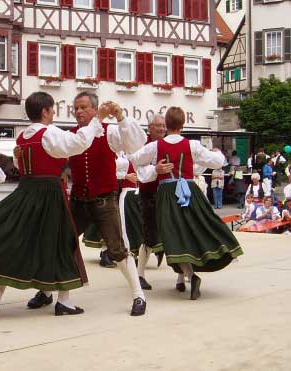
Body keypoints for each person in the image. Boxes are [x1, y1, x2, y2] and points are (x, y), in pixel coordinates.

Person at [0, 92, 104, 317]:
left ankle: (0, 291)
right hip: (49, 193)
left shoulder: (22, 137)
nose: (53, 114)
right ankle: (64, 301)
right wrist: (97, 120)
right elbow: (78, 143)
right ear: (45, 112)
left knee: (19, 242)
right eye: (52, 110)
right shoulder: (49, 133)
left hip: (25, 192)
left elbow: (20, 165)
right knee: (63, 243)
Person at [27, 92, 148, 316]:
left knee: (117, 249)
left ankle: (138, 295)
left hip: (104, 200)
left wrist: (121, 116)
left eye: (83, 107)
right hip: (79, 200)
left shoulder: (109, 131)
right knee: (61, 244)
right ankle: (52, 294)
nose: (79, 111)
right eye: (76, 108)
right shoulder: (71, 135)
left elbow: (136, 144)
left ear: (94, 110)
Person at [131, 106, 243, 300]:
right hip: (190, 192)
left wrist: (154, 170)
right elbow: (217, 161)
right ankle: (186, 276)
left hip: (167, 193)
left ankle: (187, 276)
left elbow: (135, 159)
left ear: (166, 124)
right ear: (183, 125)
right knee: (194, 230)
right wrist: (218, 154)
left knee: (173, 236)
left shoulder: (156, 146)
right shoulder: (192, 145)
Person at [136, 114, 167, 291]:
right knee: (149, 235)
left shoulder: (168, 143)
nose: (162, 129)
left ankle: (183, 274)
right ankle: (139, 275)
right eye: (158, 126)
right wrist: (155, 170)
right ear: (150, 128)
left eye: (163, 125)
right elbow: (140, 169)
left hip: (166, 195)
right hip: (149, 194)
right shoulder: (145, 146)